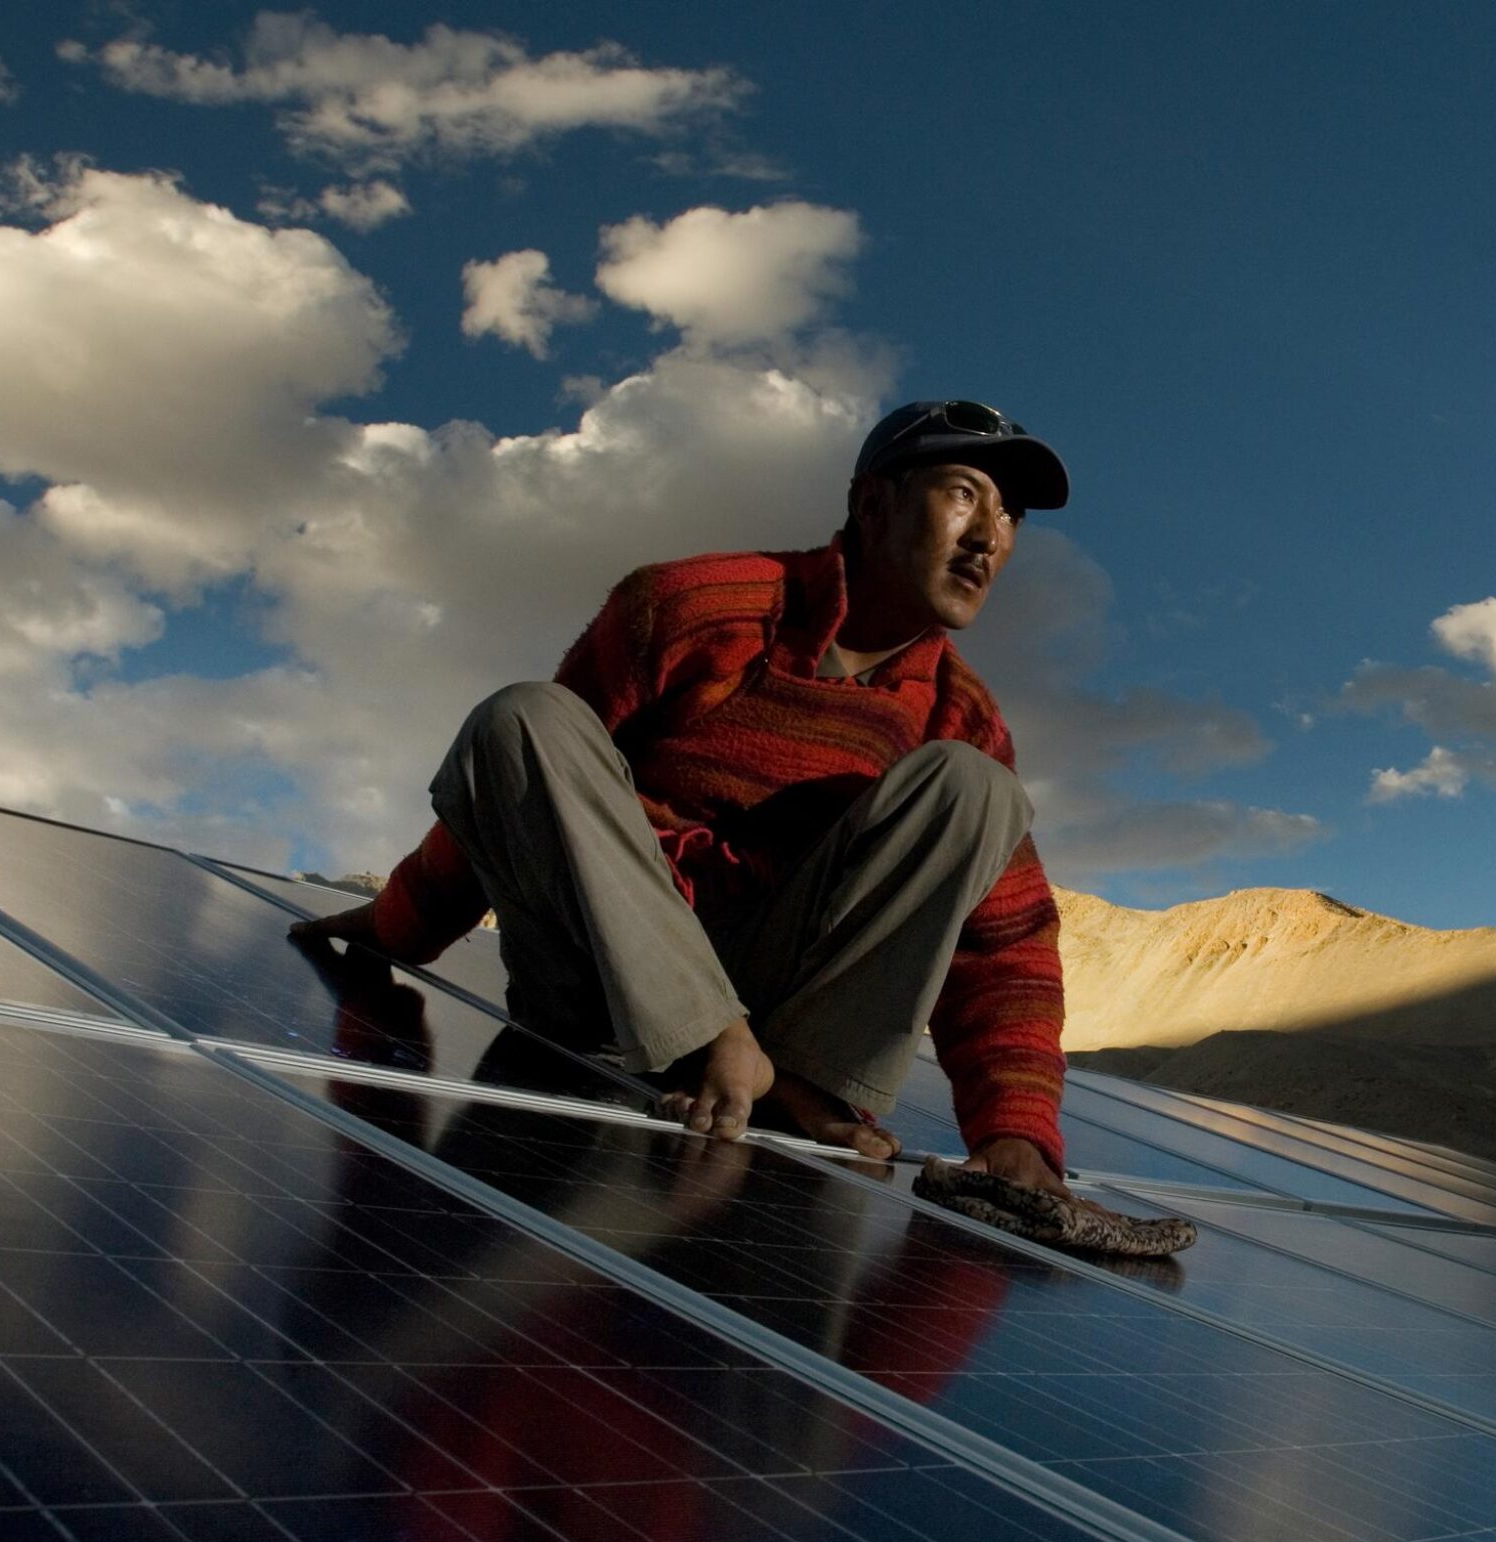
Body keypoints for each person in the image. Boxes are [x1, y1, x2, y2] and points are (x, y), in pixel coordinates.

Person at [292, 400, 1073, 1194]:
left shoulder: (961, 714)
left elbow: (1005, 948)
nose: (990, 538)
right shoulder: (696, 606)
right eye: (966, 494)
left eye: (1011, 516)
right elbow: (531, 784)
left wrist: (1019, 1134)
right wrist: (398, 924)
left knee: (976, 790)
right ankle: (710, 1041)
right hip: (601, 985)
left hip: (780, 1009)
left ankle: (805, 1077)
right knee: (525, 715)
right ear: (873, 503)